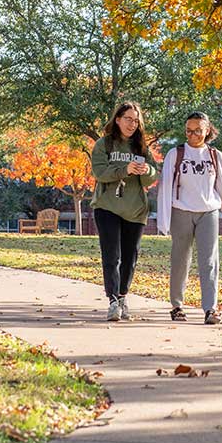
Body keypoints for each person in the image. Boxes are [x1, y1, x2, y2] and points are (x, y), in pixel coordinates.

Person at [157, 111, 222, 325]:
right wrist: (164, 221)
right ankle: (177, 306)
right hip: (181, 211)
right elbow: (165, 187)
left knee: (210, 261)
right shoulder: (175, 154)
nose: (192, 134)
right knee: (180, 260)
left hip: (208, 212)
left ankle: (210, 309)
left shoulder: (215, 156)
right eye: (188, 130)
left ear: (207, 131)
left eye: (197, 131)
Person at [90, 102, 158, 322]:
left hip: (135, 210)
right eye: (128, 119)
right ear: (117, 119)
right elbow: (100, 172)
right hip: (107, 207)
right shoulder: (104, 144)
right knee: (112, 256)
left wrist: (146, 170)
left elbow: (152, 177)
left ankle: (122, 297)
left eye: (136, 120)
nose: (132, 124)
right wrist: (124, 169)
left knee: (130, 258)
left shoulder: (141, 148)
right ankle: (112, 301)